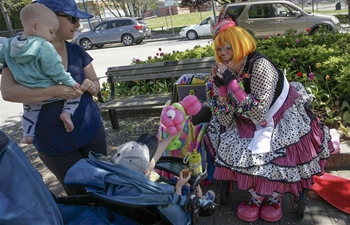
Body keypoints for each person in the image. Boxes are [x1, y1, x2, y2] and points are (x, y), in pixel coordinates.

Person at [204, 18, 335, 222]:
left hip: (280, 116)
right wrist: (221, 88)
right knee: (235, 146)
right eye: (220, 48)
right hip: (245, 119)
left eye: (229, 47)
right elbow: (223, 118)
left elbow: (258, 112)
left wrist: (232, 84)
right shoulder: (223, 71)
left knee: (278, 151)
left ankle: (275, 196)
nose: (223, 53)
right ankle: (256, 196)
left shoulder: (260, 66)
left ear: (241, 45)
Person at [1, 0, 106, 196]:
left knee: (103, 184)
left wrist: (92, 86)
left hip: (91, 130)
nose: (78, 25)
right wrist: (56, 91)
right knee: (79, 196)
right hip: (54, 142)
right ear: (48, 16)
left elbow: (95, 82)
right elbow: (8, 93)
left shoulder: (76, 50)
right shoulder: (19, 52)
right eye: (72, 18)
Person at [0, 3, 81, 144]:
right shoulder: (43, 46)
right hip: (48, 85)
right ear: (35, 27)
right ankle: (66, 114)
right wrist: (71, 83)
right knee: (75, 96)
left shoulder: (9, 46)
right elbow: (56, 70)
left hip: (29, 92)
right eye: (51, 32)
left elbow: (2, 57)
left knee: (29, 111)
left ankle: (28, 134)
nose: (53, 36)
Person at [107, 132, 215, 203]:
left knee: (176, 179)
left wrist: (172, 136)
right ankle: (203, 202)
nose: (152, 159)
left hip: (155, 188)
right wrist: (180, 186)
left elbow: (152, 161)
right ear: (146, 171)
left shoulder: (121, 180)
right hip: (177, 201)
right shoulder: (154, 194)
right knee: (192, 184)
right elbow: (175, 205)